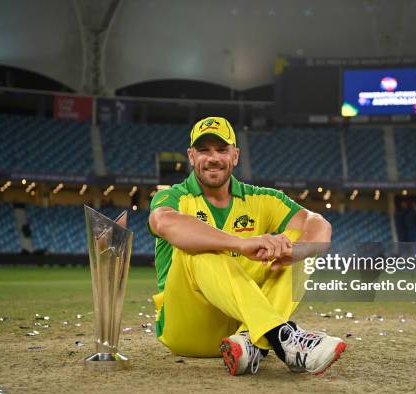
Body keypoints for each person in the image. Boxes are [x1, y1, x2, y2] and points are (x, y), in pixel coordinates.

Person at [147, 117, 346, 376]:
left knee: (300, 243)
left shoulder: (262, 198)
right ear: (191, 156)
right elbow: (164, 222)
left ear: (236, 155)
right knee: (196, 248)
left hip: (240, 332)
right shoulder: (173, 196)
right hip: (187, 328)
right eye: (204, 150)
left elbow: (319, 225)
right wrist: (241, 243)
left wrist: (295, 252)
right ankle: (281, 337)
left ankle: (251, 343)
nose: (213, 158)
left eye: (221, 149)